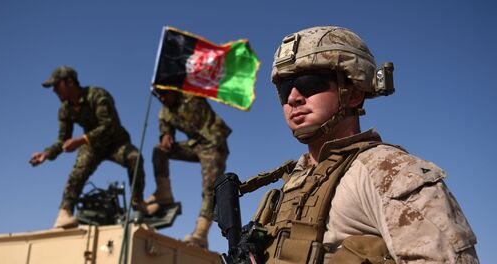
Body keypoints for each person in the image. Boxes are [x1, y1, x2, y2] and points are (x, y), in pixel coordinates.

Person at [244, 26, 478, 263]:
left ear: (353, 94)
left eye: (309, 83)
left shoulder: (388, 171)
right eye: (285, 88)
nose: (293, 97)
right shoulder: (291, 184)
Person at [29, 65, 147, 228]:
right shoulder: (65, 110)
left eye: (57, 85)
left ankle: (137, 203)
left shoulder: (98, 95)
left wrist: (81, 139)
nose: (54, 91)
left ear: (69, 82)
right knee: (78, 172)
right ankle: (65, 213)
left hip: (115, 143)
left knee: (135, 158)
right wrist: (46, 154)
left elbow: (109, 125)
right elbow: (63, 139)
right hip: (93, 146)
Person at [148, 88, 231, 249]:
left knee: (210, 187)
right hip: (196, 146)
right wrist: (165, 136)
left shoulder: (191, 95)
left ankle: (201, 234)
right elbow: (165, 130)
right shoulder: (164, 113)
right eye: (159, 96)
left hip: (214, 144)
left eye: (165, 94)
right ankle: (164, 193)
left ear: (173, 90)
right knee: (159, 150)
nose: (162, 98)